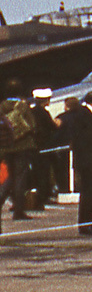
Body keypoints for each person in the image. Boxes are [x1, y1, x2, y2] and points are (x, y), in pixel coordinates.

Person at [58, 93, 92, 235]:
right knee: (90, 191)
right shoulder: (84, 115)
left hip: (86, 159)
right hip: (89, 160)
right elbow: (88, 138)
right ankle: (86, 224)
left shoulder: (81, 114)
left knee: (89, 191)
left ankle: (87, 223)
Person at [0, 78, 37, 227]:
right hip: (22, 146)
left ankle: (2, 200)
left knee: (7, 178)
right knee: (20, 178)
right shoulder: (22, 106)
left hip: (5, 146)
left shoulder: (2, 106)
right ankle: (19, 210)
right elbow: (32, 125)